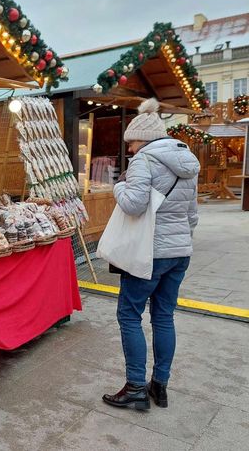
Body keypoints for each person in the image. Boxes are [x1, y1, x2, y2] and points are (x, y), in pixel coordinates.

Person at [102, 98, 200, 411]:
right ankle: (160, 386)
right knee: (163, 316)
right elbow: (192, 216)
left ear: (143, 139)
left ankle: (134, 387)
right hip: (179, 252)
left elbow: (132, 204)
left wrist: (117, 186)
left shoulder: (144, 161)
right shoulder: (188, 161)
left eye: (131, 144)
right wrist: (178, 242)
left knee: (129, 315)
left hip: (149, 254)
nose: (130, 150)